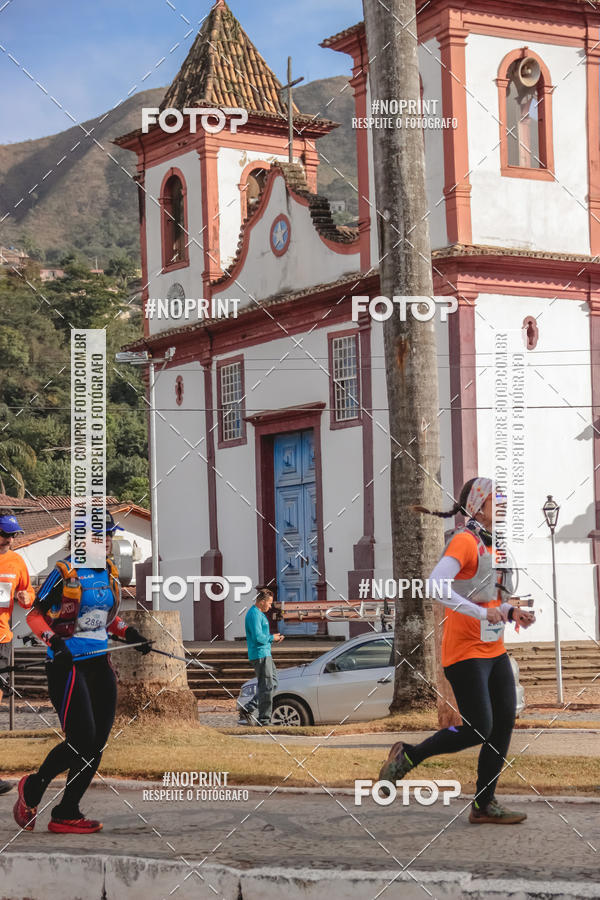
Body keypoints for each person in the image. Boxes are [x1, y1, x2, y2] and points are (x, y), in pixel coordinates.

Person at [379, 477, 536, 824]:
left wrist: (513, 612)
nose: (504, 506)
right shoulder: (465, 541)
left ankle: (484, 804)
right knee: (477, 727)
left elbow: (491, 597)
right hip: (465, 655)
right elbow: (436, 585)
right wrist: (482, 612)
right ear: (479, 504)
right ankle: (409, 756)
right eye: (498, 500)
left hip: (494, 651)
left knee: (503, 726)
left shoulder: (495, 545)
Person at [13, 511, 151, 834]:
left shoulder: (109, 574)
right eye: (99, 536)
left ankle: (66, 811)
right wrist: (53, 641)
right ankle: (32, 788)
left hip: (100, 665)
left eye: (108, 537)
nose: (106, 543)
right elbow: (35, 615)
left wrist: (130, 635)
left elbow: (105, 619)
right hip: (67, 665)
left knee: (97, 743)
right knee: (80, 739)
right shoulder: (65, 573)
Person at [0, 513, 35, 795]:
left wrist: (27, 598)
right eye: (4, 533)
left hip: (2, 639)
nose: (9, 540)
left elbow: (27, 592)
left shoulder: (17, 562)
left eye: (12, 535)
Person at [238, 588, 284, 726]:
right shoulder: (254, 615)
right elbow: (258, 637)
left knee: (272, 683)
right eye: (269, 603)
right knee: (267, 685)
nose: (270, 607)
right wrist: (272, 638)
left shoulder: (259, 614)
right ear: (262, 601)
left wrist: (273, 638)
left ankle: (249, 708)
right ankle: (263, 719)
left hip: (265, 653)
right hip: (260, 654)